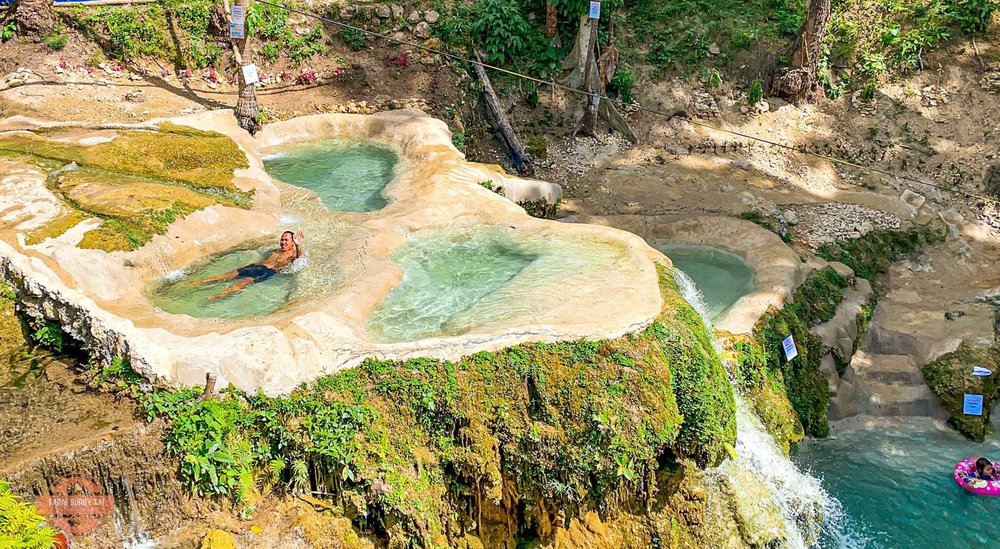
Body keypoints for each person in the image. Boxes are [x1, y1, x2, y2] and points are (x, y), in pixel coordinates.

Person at [193, 230, 304, 301]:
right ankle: (202, 282)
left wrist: (298, 246)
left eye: (286, 240)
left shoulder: (292, 254)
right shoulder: (275, 251)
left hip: (266, 271)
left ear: (292, 242)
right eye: (282, 239)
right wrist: (250, 265)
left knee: (244, 282)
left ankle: (219, 295)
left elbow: (298, 257)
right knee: (230, 274)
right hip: (256, 266)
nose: (283, 242)